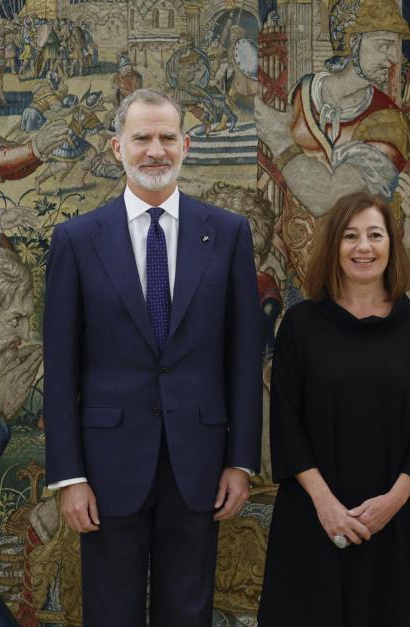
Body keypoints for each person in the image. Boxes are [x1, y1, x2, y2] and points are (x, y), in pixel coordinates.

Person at [43, 88, 262, 626]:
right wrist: (69, 475)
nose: (155, 150)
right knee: (110, 611)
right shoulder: (76, 240)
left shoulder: (228, 234)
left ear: (186, 145)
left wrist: (240, 460)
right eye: (142, 137)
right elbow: (61, 366)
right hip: (107, 465)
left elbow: (243, 356)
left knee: (188, 610)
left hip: (200, 463)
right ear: (117, 147)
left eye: (167, 137)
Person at [258, 191, 410, 626]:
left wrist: (391, 503)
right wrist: (326, 505)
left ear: (391, 246)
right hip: (314, 517)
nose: (363, 247)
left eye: (374, 235)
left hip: (397, 521)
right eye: (350, 236)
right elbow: (286, 422)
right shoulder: (301, 326)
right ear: (334, 247)